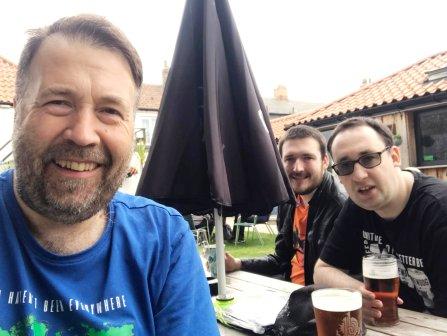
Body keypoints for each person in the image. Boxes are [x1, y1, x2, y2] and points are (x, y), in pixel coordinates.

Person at [1, 15, 219, 334]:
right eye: (59, 102)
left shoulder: (163, 243)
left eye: (110, 111)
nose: (84, 134)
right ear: (19, 110)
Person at [314, 117, 447, 321]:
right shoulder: (358, 205)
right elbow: (322, 270)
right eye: (346, 165)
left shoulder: (438, 211)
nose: (359, 176)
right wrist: (358, 292)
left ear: (394, 157)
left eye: (368, 158)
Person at [225, 125, 346, 285]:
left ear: (325, 161)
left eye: (307, 158)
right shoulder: (289, 201)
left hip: (314, 299)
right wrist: (239, 263)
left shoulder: (340, 207)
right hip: (287, 288)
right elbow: (281, 259)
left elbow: (340, 277)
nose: (297, 168)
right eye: (289, 159)